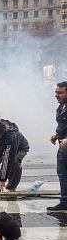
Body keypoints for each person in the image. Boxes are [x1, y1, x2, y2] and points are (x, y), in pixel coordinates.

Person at [0, 119, 29, 192]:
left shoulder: (11, 138)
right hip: (2, 144)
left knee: (14, 163)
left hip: (20, 148)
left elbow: (7, 161)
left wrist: (2, 180)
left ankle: (11, 187)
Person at [48, 81, 67, 211]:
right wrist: (56, 133)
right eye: (56, 92)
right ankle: (64, 201)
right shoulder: (61, 107)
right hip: (62, 147)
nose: (56, 95)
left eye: (60, 93)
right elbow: (62, 124)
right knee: (62, 174)